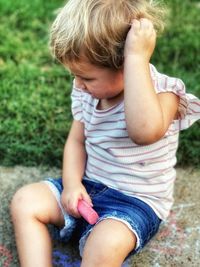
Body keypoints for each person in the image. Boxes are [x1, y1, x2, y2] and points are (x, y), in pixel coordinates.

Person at [10, 0, 200, 266]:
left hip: (134, 203)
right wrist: (73, 184)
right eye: (75, 76)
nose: (78, 84)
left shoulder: (164, 94)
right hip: (89, 187)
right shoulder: (86, 93)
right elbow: (77, 141)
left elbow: (143, 132)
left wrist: (136, 58)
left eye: (87, 78)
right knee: (25, 201)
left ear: (124, 67)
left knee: (104, 245)